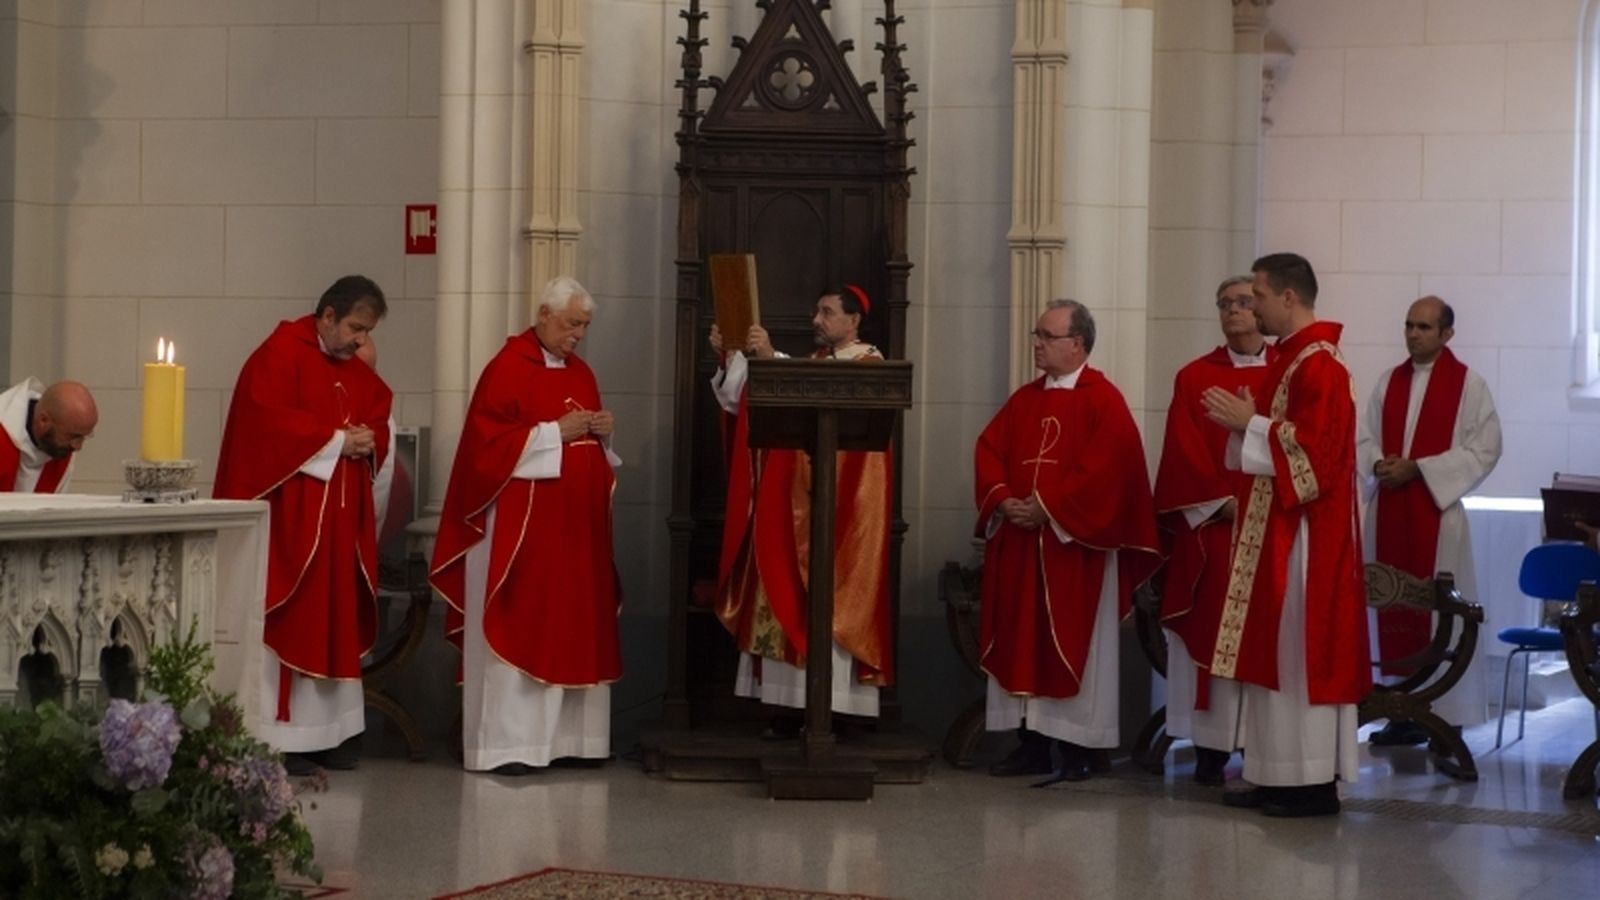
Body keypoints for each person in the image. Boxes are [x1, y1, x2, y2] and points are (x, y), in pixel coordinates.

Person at [1200, 252, 1370, 817]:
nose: (1253, 309)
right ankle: (1276, 773)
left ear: (1288, 297)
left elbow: (1318, 458)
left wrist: (1248, 424)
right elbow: (1282, 437)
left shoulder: (1320, 364)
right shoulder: (1292, 359)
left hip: (1307, 543)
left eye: (1259, 297)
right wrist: (1252, 424)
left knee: (1299, 656)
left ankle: (1309, 782)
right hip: (1282, 529)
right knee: (1278, 654)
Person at [430, 275, 622, 774]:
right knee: (523, 623)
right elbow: (486, 448)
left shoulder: (582, 373)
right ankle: (510, 746)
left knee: (574, 628)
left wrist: (602, 432)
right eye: (572, 323)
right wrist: (555, 432)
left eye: (584, 326)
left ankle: (575, 741)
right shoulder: (507, 367)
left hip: (576, 534)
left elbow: (589, 447)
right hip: (523, 532)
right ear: (543, 315)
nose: (578, 335)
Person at [975, 299, 1160, 782]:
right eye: (1036, 335)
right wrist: (1003, 500)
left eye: (1047, 336)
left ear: (1077, 344)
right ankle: (1032, 746)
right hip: (1022, 546)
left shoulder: (1105, 400)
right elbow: (989, 450)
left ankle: (1081, 747)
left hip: (1076, 551)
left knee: (1079, 646)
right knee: (1022, 644)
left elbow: (1108, 470)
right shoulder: (1024, 399)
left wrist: (1048, 506)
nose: (1036, 344)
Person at [214, 275, 392, 776]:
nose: (360, 341)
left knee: (335, 620)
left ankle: (333, 733)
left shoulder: (351, 367)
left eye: (367, 332)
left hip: (339, 527)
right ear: (328, 316)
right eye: (355, 328)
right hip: (291, 525)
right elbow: (262, 426)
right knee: (292, 617)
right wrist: (337, 441)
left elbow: (377, 412)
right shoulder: (278, 354)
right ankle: (283, 734)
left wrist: (368, 439)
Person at [710, 285, 894, 731]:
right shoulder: (815, 364)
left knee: (832, 596)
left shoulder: (870, 366)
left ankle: (838, 711)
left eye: (827, 312)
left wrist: (770, 356)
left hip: (839, 511)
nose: (816, 320)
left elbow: (826, 406)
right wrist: (737, 356)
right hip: (794, 506)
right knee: (784, 591)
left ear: (854, 320)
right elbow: (755, 401)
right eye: (816, 311)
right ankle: (788, 708)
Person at [1357, 295, 1501, 745]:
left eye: (1423, 327)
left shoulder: (1469, 386)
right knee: (1388, 605)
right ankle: (1399, 714)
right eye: (1409, 325)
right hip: (1388, 514)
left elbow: (1485, 449)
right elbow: (1363, 436)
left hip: (1438, 518)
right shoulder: (1388, 382)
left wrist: (1419, 469)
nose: (1413, 334)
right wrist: (1378, 464)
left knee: (1442, 613)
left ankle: (1445, 722)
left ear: (1447, 334)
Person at [1152, 276, 1274, 785]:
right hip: (1213, 531)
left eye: (1243, 302)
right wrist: (1221, 503)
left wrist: (1260, 507)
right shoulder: (1195, 377)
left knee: (1266, 635)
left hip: (1272, 533)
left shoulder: (1290, 372)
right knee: (1208, 630)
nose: (1233, 312)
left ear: (1262, 308)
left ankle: (1265, 747)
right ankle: (1210, 746)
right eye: (1224, 304)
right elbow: (1181, 452)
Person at [0, 379, 97, 492]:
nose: (78, 447)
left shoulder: (62, 450)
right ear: (44, 420)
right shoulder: (4, 432)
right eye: (73, 436)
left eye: (83, 437)